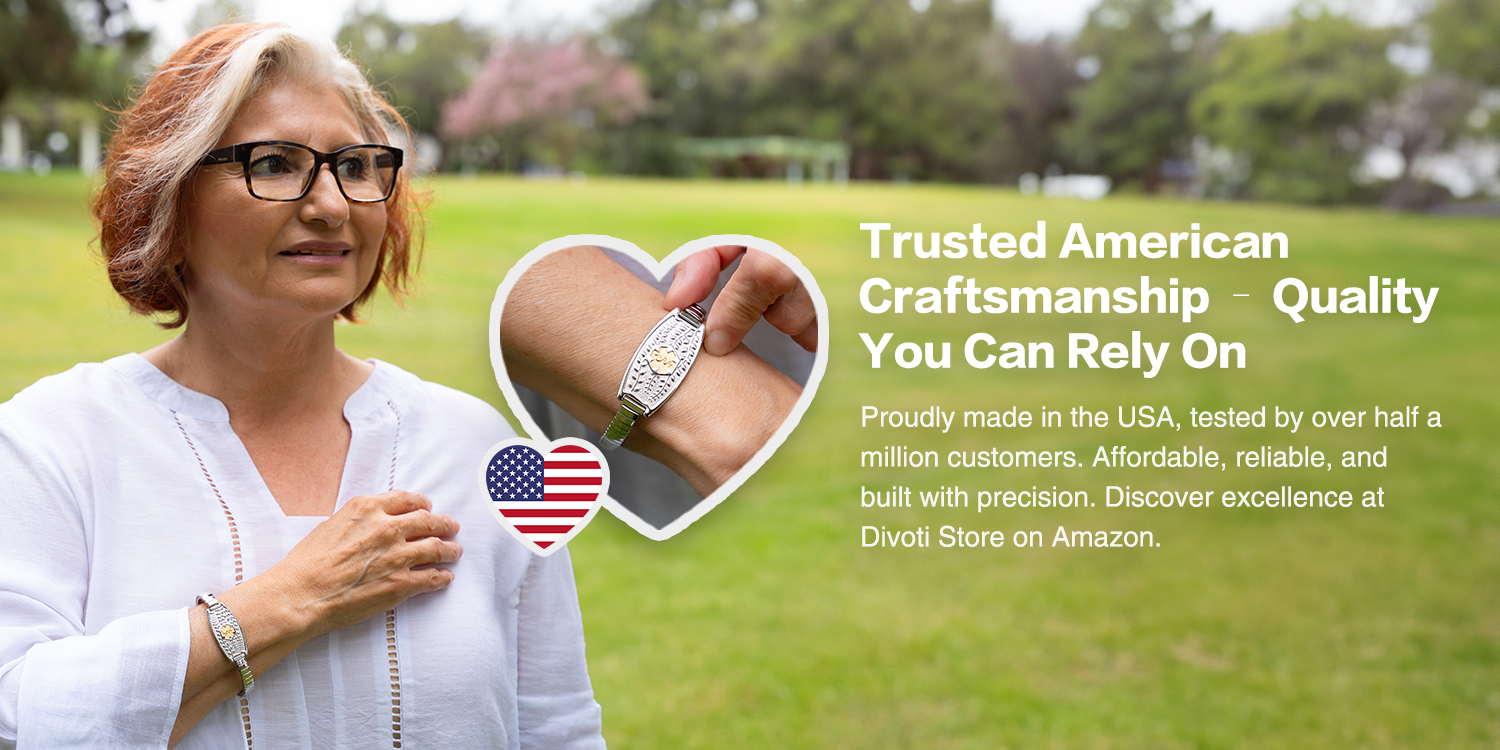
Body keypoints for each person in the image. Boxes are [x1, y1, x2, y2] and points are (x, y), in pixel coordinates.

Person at [0, 24, 603, 750]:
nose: (332, 204)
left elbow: (558, 729)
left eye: (355, 165)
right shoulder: (53, 443)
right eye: (277, 163)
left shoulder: (480, 452)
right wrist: (292, 598)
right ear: (169, 201)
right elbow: (19, 713)